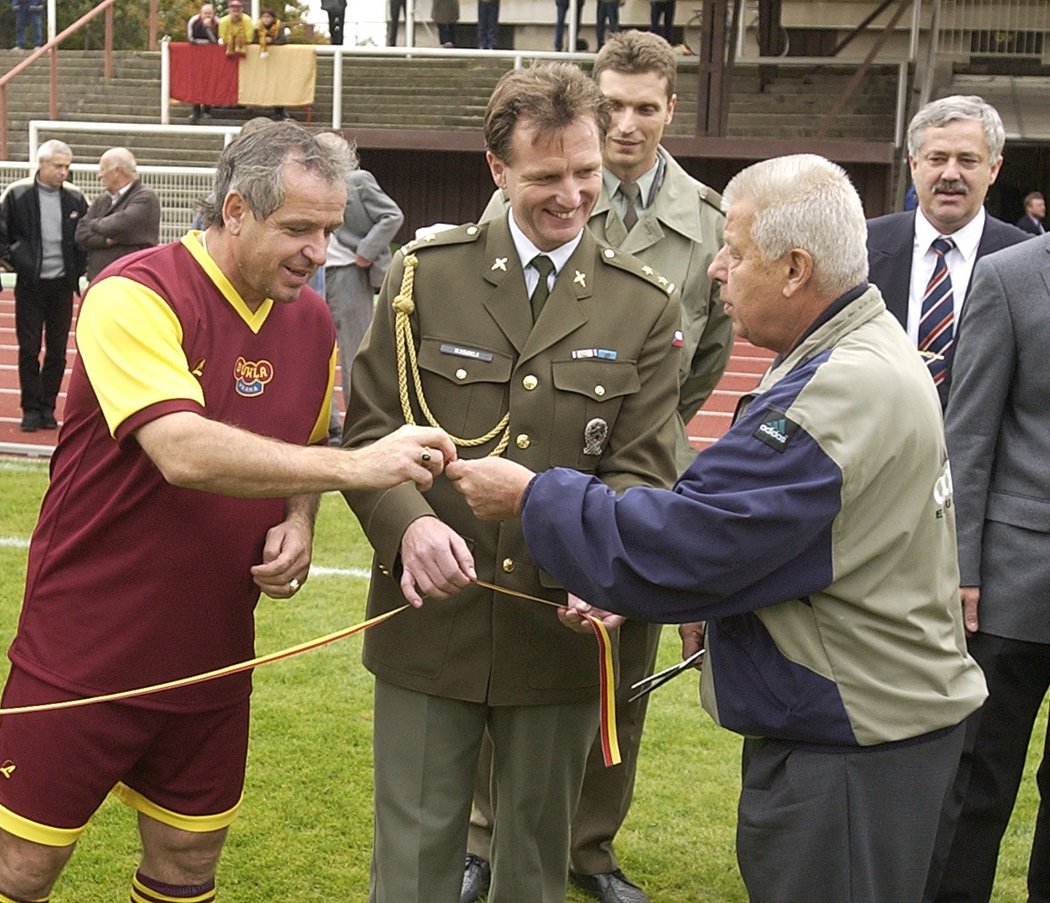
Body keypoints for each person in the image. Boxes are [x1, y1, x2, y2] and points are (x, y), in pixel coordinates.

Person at [446, 153, 989, 903]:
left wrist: (534, 497)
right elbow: (773, 536)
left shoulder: (840, 386)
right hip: (863, 725)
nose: (715, 270)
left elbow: (693, 542)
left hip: (854, 747)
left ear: (795, 267)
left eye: (733, 250)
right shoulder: (850, 349)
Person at [0, 121, 454, 903]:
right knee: (22, 867)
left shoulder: (312, 321)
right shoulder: (134, 296)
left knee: (187, 860)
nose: (321, 251)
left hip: (214, 653)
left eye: (330, 228)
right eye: (299, 229)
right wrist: (358, 466)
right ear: (236, 210)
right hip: (84, 651)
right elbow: (182, 449)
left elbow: (304, 437)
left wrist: (302, 519)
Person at [341, 62, 681, 903]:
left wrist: (610, 573)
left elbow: (642, 468)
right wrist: (409, 526)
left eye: (586, 172)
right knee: (414, 864)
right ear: (497, 170)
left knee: (532, 866)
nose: (571, 195)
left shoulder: (644, 304)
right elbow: (372, 432)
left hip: (557, 631)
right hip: (432, 621)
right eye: (545, 176)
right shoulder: (425, 276)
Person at [468, 29, 730, 903]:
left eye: (643, 107)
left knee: (618, 664)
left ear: (668, 110)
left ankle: (589, 847)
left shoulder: (708, 222)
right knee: (501, 653)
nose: (625, 124)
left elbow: (710, 351)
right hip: (522, 459)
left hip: (636, 470)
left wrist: (636, 436)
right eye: (611, 103)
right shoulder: (536, 183)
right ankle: (482, 838)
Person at [929, 236, 1050, 903]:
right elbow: (967, 435)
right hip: (1010, 582)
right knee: (976, 780)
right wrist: (961, 563)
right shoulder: (1010, 279)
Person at [866, 95, 1028, 408]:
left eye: (967, 160)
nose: (950, 174)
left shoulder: (1025, 259)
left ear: (993, 169)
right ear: (914, 165)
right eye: (937, 159)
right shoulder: (862, 247)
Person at [315, 134, 403, 441]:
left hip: (350, 273)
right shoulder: (311, 188)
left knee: (354, 354)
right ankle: (330, 425)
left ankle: (360, 431)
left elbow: (392, 215)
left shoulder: (358, 180)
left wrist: (366, 251)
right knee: (319, 353)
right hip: (317, 273)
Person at [0, 139, 87, 433]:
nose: (64, 172)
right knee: (28, 348)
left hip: (62, 286)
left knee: (58, 351)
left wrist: (79, 269)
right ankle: (30, 408)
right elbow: (3, 234)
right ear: (42, 164)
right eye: (58, 166)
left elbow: (83, 237)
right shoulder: (17, 194)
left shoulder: (75, 198)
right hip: (30, 285)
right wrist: (16, 262)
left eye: (67, 166)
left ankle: (48, 406)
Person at [74, 147, 162, 282]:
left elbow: (118, 225)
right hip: (98, 280)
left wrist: (93, 223)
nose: (99, 175)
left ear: (117, 171)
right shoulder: (103, 199)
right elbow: (80, 233)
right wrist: (105, 241)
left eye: (103, 169)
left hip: (129, 281)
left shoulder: (145, 198)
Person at [254, 8, 290, 120]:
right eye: (264, 17)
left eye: (268, 17)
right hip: (262, 61)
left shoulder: (280, 27)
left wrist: (272, 41)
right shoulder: (257, 28)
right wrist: (262, 41)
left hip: (277, 61)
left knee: (277, 85)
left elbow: (284, 40)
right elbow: (253, 41)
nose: (266, 19)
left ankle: (279, 110)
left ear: (273, 18)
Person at [187, 2, 220, 121]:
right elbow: (191, 39)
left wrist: (209, 29)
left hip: (211, 59)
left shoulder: (218, 22)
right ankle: (195, 111)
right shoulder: (194, 21)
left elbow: (218, 41)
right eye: (205, 13)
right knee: (195, 83)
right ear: (201, 14)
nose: (208, 15)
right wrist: (205, 43)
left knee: (209, 82)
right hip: (196, 57)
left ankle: (207, 110)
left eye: (210, 13)